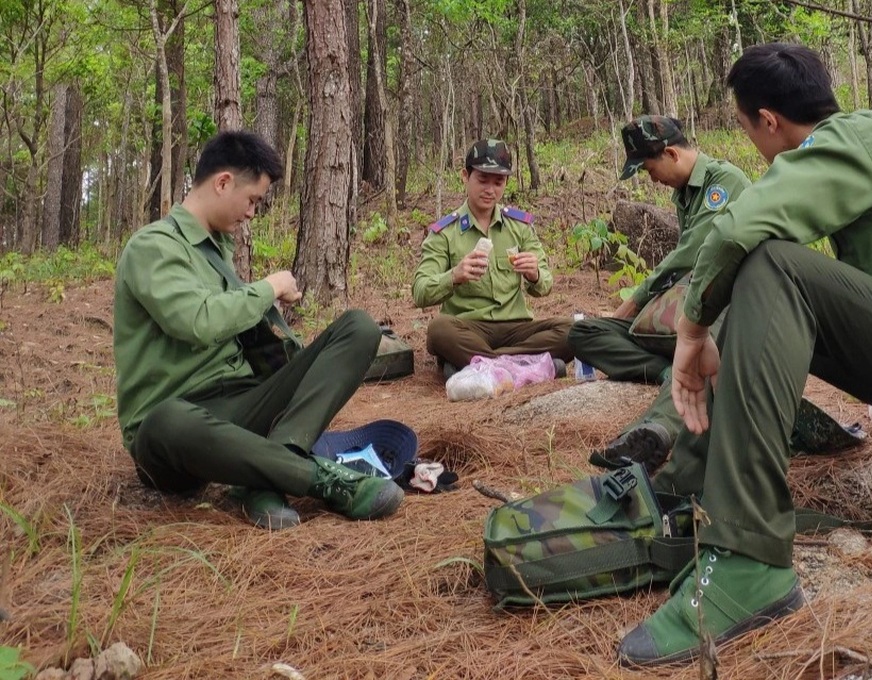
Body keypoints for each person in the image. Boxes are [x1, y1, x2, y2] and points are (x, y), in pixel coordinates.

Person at [618, 43, 872, 667]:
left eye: (747, 127)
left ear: (768, 120)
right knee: (766, 282)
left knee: (772, 263)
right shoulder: (871, 149)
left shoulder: (857, 136)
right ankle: (690, 482)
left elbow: (740, 227)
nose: (752, 143)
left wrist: (691, 333)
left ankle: (750, 559)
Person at [114, 130, 404, 531]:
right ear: (222, 183)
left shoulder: (217, 251)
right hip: (177, 431)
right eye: (252, 200)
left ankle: (264, 479)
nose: (252, 213)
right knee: (165, 420)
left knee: (359, 327)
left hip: (241, 403)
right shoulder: (152, 247)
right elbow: (197, 322)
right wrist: (267, 288)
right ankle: (320, 481)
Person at [569, 115, 750, 469]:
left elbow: (693, 253)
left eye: (650, 169)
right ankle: (670, 371)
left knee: (697, 349)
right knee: (584, 333)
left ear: (670, 153)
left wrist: (636, 299)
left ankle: (655, 431)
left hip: (720, 303)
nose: (651, 179)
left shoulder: (723, 181)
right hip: (681, 306)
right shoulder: (683, 193)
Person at [411, 139, 573, 380]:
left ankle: (481, 367)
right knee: (439, 331)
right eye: (482, 180)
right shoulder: (445, 232)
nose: (490, 190)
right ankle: (531, 367)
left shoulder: (520, 226)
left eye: (498, 182)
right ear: (465, 177)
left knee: (575, 330)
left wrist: (535, 274)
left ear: (506, 182)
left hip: (516, 327)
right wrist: (454, 276)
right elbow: (420, 292)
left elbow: (545, 286)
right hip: (468, 328)